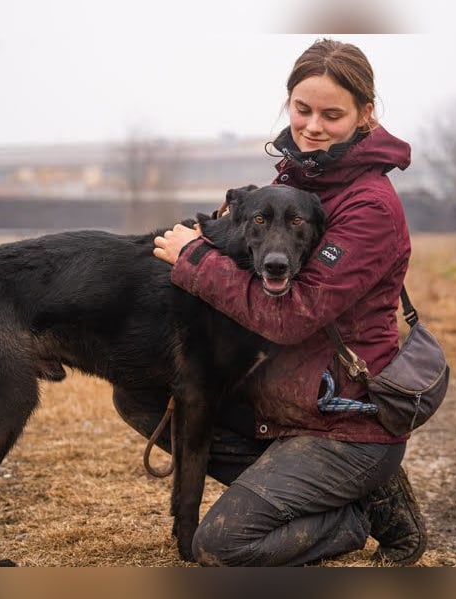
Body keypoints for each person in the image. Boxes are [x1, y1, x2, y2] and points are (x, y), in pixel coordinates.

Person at [116, 38, 426, 567]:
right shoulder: (295, 179)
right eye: (302, 109)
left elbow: (290, 316)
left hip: (341, 422)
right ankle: (320, 492)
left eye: (332, 115)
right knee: (141, 393)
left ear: (365, 114)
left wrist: (194, 258)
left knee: (221, 547)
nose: (312, 126)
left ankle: (350, 514)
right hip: (282, 404)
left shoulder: (369, 207)